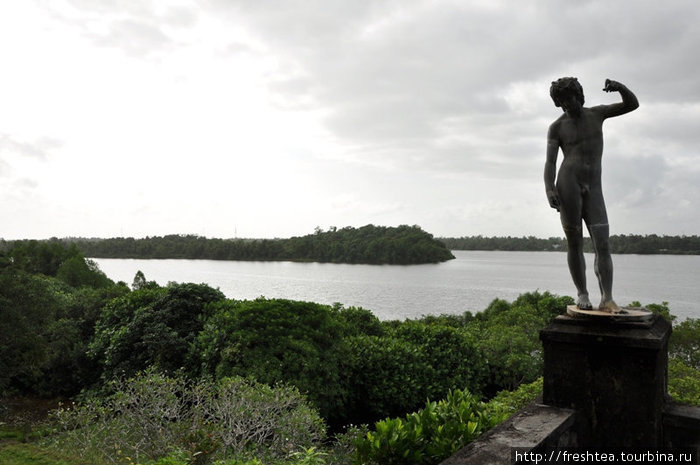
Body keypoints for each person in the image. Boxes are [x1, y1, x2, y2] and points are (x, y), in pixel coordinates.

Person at [544, 77, 639, 311]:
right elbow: (550, 162)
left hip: (594, 187)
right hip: (568, 185)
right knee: (574, 243)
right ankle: (582, 293)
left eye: (570, 99)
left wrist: (621, 87)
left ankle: (607, 298)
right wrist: (549, 188)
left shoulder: (597, 114)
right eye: (562, 101)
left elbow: (632, 105)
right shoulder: (557, 127)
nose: (567, 105)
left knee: (603, 243)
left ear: (579, 95)